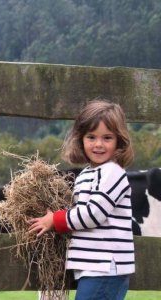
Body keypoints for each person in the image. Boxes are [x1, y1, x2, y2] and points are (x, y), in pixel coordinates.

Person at [29, 99, 135, 300]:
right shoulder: (86, 174)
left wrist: (55, 220)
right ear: (81, 140)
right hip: (92, 267)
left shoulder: (112, 173)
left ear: (119, 141)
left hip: (106, 268)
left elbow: (93, 214)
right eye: (91, 137)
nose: (98, 144)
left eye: (107, 138)